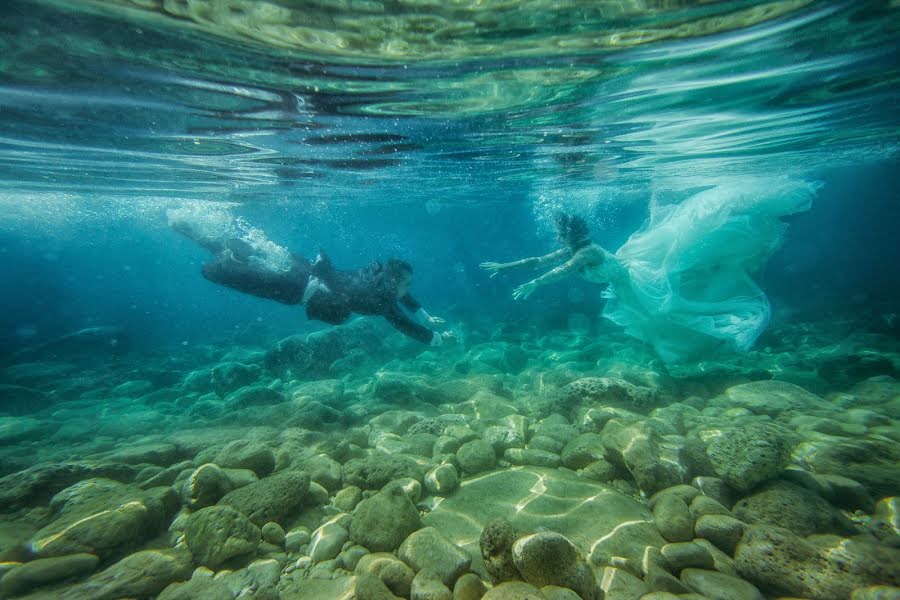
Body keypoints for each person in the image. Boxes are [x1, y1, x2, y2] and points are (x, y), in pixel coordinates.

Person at [481, 180, 818, 363]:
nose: (557, 239)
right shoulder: (573, 248)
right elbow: (538, 260)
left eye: (560, 234)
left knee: (675, 313)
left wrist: (534, 286)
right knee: (664, 324)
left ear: (570, 234)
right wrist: (505, 266)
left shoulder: (587, 252)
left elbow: (564, 271)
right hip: (626, 285)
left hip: (636, 280)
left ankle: (719, 339)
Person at [169, 210, 455, 346]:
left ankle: (193, 226)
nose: (409, 287)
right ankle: (190, 229)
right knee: (230, 269)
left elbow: (402, 296)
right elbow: (403, 324)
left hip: (302, 267)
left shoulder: (380, 278)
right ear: (392, 281)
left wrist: (426, 315)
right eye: (406, 282)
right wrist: (439, 338)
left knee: (248, 255)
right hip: (291, 286)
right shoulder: (381, 300)